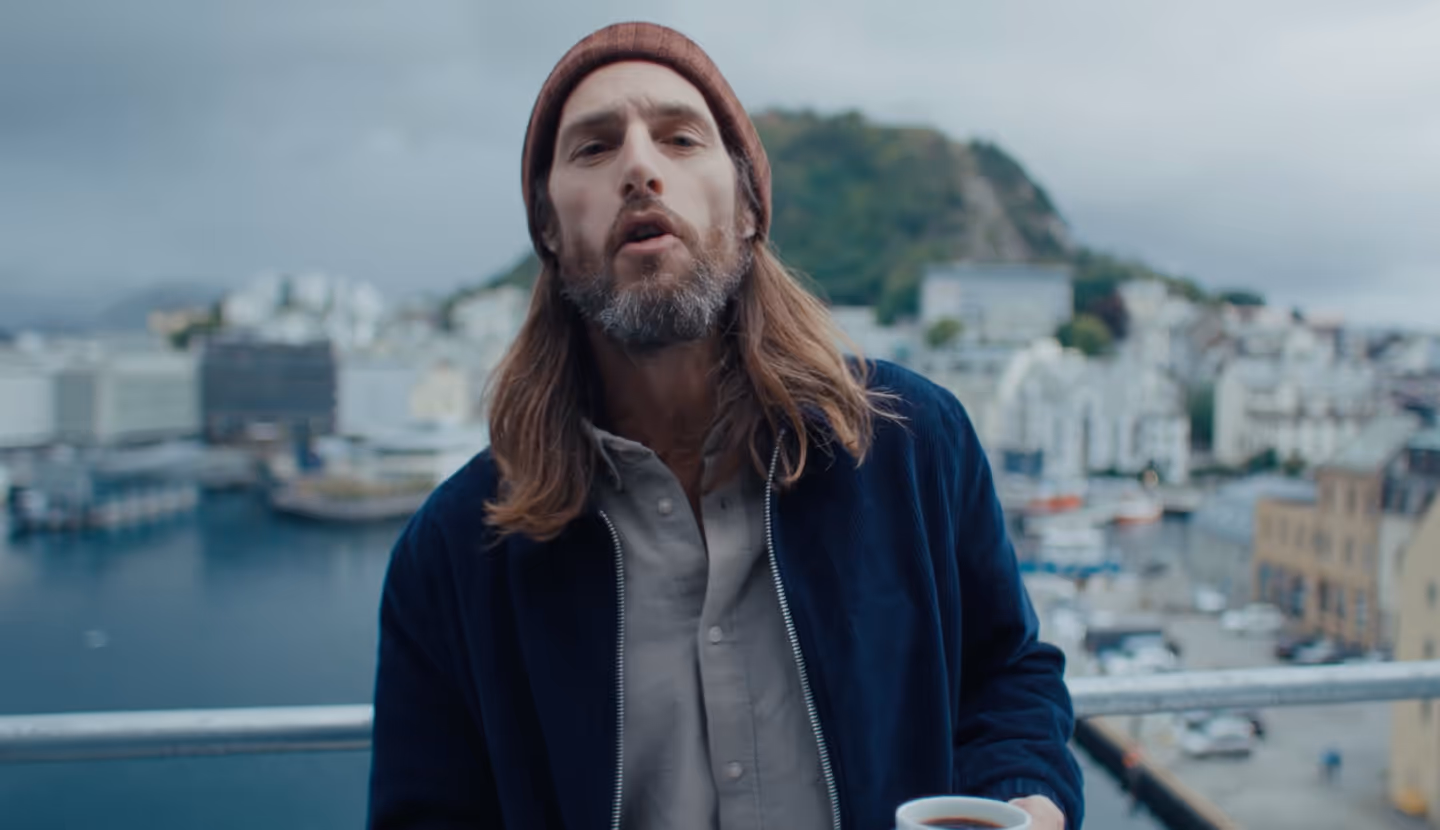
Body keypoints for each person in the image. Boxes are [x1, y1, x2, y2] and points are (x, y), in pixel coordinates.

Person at [367, 21, 1082, 830]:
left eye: (680, 138)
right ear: (549, 231)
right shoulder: (457, 553)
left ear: (747, 208)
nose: (640, 167)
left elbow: (1005, 672)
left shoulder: (913, 443)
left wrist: (1025, 799)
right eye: (594, 148)